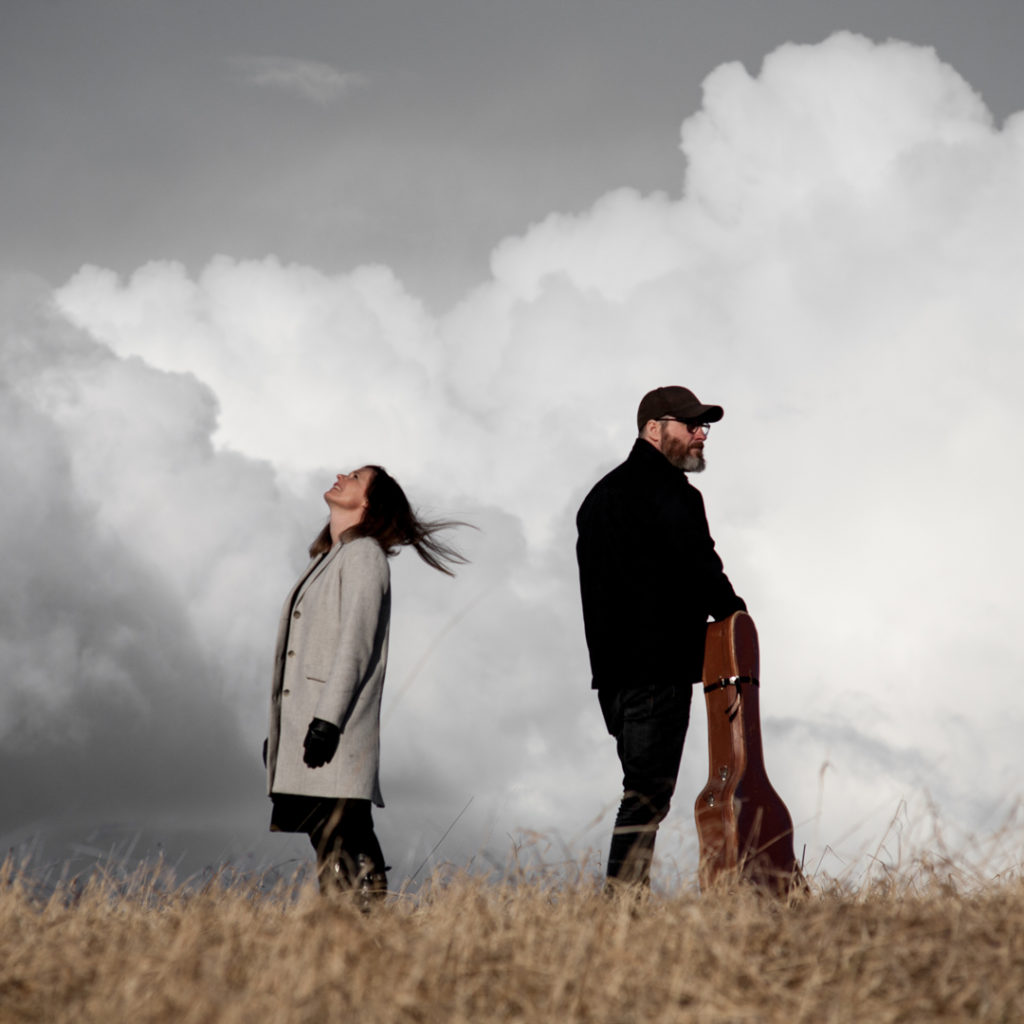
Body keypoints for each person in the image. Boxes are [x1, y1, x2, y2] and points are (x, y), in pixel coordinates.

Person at [266, 465, 465, 904]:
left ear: (369, 503)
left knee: (341, 836)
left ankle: (362, 923)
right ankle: (360, 925)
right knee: (335, 837)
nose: (341, 475)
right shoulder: (329, 558)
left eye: (355, 477)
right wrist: (282, 731)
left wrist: (327, 722)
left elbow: (354, 646)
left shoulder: (363, 556)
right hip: (310, 724)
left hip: (332, 727)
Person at [575, 386, 747, 890]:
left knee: (642, 790)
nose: (700, 435)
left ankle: (623, 903)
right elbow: (702, 571)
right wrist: (738, 620)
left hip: (613, 679)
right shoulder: (674, 495)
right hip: (658, 672)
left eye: (703, 427)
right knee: (646, 795)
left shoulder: (600, 497)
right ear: (654, 429)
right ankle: (621, 904)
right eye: (690, 425)